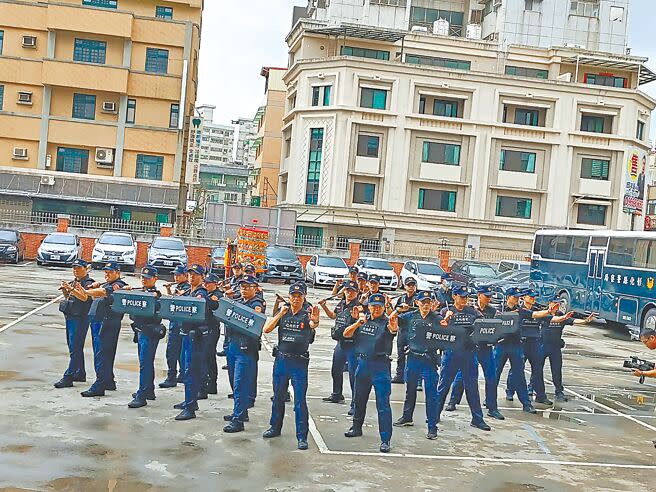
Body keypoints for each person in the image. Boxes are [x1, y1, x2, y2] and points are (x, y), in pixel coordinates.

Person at [263, 282, 320, 450]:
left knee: (300, 401)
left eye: (299, 296)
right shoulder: (284, 313)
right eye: (293, 296)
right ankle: (275, 427)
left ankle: (302, 436)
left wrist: (315, 320)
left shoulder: (306, 314)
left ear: (304, 298)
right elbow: (267, 329)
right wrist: (280, 314)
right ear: (289, 297)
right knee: (278, 396)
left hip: (299, 362)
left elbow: (313, 324)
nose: (296, 299)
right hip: (281, 360)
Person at [343, 293, 398, 454]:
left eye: (379, 307)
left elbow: (392, 331)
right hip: (363, 364)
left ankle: (385, 439)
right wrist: (357, 323)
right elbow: (346, 334)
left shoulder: (387, 323)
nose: (376, 309)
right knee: (359, 400)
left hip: (380, 366)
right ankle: (356, 427)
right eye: (373, 306)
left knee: (383, 404)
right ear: (369, 306)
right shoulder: (363, 320)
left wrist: (393, 330)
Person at [434, 285, 491, 431]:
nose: (464, 299)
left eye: (466, 297)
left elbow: (483, 326)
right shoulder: (446, 311)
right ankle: (434, 415)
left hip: (469, 353)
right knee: (444, 385)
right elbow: (439, 328)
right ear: (454, 296)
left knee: (472, 387)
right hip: (451, 352)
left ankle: (477, 419)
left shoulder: (472, 311)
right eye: (461, 296)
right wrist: (446, 319)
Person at [445, 286, 505, 420]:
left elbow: (497, 327)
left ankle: (492, 407)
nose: (488, 299)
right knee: (461, 376)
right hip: (471, 347)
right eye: (486, 296)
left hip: (486, 348)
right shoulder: (470, 309)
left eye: (490, 296)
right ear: (479, 295)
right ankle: (453, 401)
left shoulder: (492, 311)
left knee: (491, 376)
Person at [393, 290, 442, 439]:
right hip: (413, 357)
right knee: (410, 390)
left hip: (429, 360)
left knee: (431, 394)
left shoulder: (437, 318)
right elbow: (393, 321)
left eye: (428, 302)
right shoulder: (410, 317)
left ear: (432, 304)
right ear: (417, 303)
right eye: (423, 302)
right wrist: (396, 309)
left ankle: (432, 426)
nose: (426, 305)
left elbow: (447, 333)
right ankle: (407, 417)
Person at [79, 261, 128, 397]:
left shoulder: (119, 285)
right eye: (105, 272)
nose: (107, 274)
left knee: (102, 354)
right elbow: (91, 295)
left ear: (118, 273)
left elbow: (103, 292)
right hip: (98, 321)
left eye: (110, 272)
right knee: (102, 353)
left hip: (107, 323)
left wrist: (86, 290)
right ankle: (108, 381)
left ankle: (99, 384)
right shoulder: (106, 284)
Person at [224, 274, 265, 433]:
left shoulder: (257, 303)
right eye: (242, 286)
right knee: (234, 381)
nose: (244, 289)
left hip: (246, 348)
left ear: (255, 288)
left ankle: (238, 419)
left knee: (241, 383)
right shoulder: (239, 302)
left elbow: (256, 319)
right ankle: (240, 411)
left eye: (248, 286)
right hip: (233, 345)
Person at [505, 289, 557, 406]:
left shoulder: (537, 310)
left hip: (535, 343)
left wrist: (558, 316)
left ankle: (540, 395)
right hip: (522, 342)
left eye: (534, 297)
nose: (533, 299)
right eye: (531, 297)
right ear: (524, 297)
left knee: (538, 370)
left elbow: (550, 318)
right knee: (516, 369)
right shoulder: (519, 310)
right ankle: (510, 391)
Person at [174, 264, 210, 421]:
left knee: (191, 371)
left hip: (196, 338)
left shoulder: (201, 294)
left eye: (195, 275)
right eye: (189, 274)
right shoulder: (189, 291)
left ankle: (190, 407)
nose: (191, 277)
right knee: (186, 369)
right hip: (186, 335)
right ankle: (190, 401)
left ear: (202, 277)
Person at [541, 299, 596, 401]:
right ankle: (532, 387)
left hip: (555, 347)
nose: (556, 305)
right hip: (542, 346)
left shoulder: (562, 316)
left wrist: (586, 320)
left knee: (557, 370)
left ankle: (559, 391)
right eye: (554, 303)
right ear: (549, 303)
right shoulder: (542, 315)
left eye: (558, 304)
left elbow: (574, 321)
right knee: (537, 370)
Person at [319, 280, 361, 412]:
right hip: (340, 343)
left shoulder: (358, 307)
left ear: (357, 293)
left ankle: (355, 404)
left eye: (352, 291)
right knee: (335, 370)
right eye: (347, 290)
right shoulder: (342, 304)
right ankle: (337, 394)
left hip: (353, 345)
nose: (349, 293)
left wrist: (356, 318)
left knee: (354, 375)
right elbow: (333, 316)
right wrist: (324, 306)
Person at [494, 287, 537, 414]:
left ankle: (526, 404)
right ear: (508, 297)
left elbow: (534, 314)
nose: (517, 299)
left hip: (516, 345)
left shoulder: (520, 310)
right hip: (501, 345)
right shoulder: (498, 310)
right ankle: (490, 399)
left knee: (519, 375)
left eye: (518, 297)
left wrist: (548, 311)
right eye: (515, 297)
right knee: (495, 374)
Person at [54, 259, 95, 389]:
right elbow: (69, 297)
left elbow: (84, 297)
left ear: (85, 269)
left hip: (80, 318)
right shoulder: (74, 282)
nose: (76, 271)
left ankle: (69, 376)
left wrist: (72, 288)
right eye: (74, 268)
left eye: (78, 268)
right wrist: (66, 290)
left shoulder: (89, 283)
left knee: (75, 347)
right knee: (73, 347)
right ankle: (80, 372)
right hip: (70, 316)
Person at [128, 266, 165, 409]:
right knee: (145, 362)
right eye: (143, 278)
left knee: (145, 363)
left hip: (149, 332)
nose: (144, 280)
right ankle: (148, 389)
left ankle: (142, 394)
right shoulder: (140, 292)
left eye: (148, 278)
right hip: (140, 330)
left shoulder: (155, 294)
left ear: (155, 279)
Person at [160, 265, 190, 388]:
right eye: (175, 275)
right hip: (175, 322)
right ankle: (179, 375)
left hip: (180, 324)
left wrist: (179, 295)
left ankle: (173, 376)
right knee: (174, 352)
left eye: (178, 275)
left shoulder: (187, 288)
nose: (176, 277)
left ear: (185, 276)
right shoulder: (179, 287)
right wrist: (168, 290)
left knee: (175, 352)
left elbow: (181, 302)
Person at [392, 277, 418, 384]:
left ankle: (414, 377)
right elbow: (395, 312)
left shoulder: (417, 299)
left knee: (414, 354)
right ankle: (400, 375)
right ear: (405, 286)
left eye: (413, 285)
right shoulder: (401, 298)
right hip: (402, 329)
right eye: (409, 285)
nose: (411, 287)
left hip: (413, 329)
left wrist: (410, 307)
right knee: (400, 354)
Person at [201, 273, 223, 398]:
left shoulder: (217, 295)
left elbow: (212, 305)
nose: (206, 285)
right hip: (203, 328)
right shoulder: (205, 293)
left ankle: (212, 383)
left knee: (209, 355)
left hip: (212, 328)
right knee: (204, 356)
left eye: (209, 283)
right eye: (205, 282)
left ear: (215, 283)